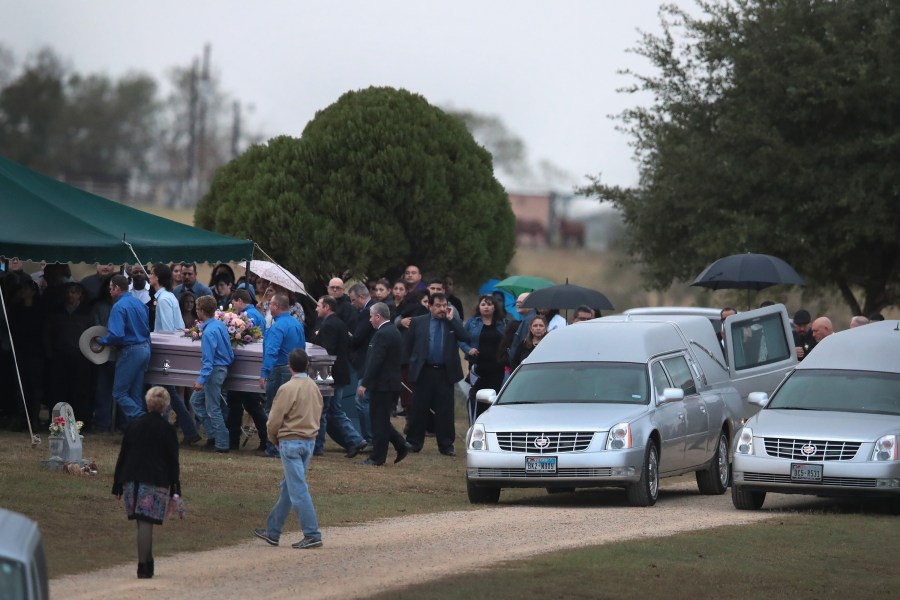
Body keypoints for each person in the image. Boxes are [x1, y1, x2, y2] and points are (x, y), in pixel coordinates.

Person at [252, 348, 324, 549]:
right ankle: (273, 531)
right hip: (309, 441)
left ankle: (312, 533)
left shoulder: (287, 388)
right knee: (289, 487)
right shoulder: (313, 387)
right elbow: (319, 412)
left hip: (290, 441)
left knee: (298, 489)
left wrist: (274, 439)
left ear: (289, 366)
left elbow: (273, 420)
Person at [112, 386, 182, 579]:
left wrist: (117, 483)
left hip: (130, 479)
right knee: (146, 522)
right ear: (166, 405)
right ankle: (143, 565)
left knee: (141, 521)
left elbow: (123, 454)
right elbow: (172, 461)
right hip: (155, 480)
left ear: (147, 402)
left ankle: (147, 560)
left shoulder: (135, 424)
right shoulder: (167, 430)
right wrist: (176, 488)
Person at [404, 292, 470, 456]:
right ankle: (414, 442)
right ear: (430, 306)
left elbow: (464, 336)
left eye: (444, 305)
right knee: (419, 408)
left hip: (444, 372)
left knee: (445, 410)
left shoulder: (452, 322)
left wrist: (452, 320)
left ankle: (446, 445)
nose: (442, 309)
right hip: (423, 370)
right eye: (438, 306)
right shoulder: (419, 322)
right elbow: (408, 345)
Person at [148, 264, 200, 445]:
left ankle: (158, 431)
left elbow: (167, 330)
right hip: (169, 351)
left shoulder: (163, 300)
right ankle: (190, 430)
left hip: (165, 352)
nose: (149, 276)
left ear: (158, 278)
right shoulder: (168, 296)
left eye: (151, 274)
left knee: (157, 393)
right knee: (170, 393)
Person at [311, 295, 367, 458]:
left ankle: (318, 447)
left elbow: (326, 350)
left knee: (321, 411)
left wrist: (316, 336)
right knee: (335, 410)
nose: (316, 308)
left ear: (327, 307)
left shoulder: (328, 325)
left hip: (326, 371)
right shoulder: (339, 323)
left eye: (319, 305)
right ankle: (355, 440)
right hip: (339, 373)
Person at [357, 302, 409, 466]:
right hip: (390, 383)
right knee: (381, 420)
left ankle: (377, 457)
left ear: (378, 317)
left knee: (378, 422)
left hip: (383, 385)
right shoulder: (392, 331)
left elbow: (375, 361)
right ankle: (401, 444)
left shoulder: (382, 334)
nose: (370, 320)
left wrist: (365, 383)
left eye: (371, 316)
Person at [97, 274, 150, 425]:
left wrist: (102, 341)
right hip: (144, 348)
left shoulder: (119, 306)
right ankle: (138, 429)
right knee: (135, 393)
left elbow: (117, 334)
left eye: (111, 289)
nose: (109, 292)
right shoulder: (139, 303)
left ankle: (142, 419)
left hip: (130, 350)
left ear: (117, 288)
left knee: (119, 393)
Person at [259, 293, 306, 458]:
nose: (268, 306)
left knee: (273, 408)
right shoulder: (296, 324)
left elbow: (272, 351)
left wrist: (264, 373)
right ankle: (289, 444)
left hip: (279, 370)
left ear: (276, 307)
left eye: (270, 304)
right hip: (294, 369)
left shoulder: (277, 327)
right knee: (291, 410)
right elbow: (302, 348)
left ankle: (272, 447)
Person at [225, 289, 269, 451]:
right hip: (255, 364)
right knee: (251, 405)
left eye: (234, 302)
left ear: (239, 301)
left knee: (239, 404)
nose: (233, 306)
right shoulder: (258, 315)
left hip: (244, 364)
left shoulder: (244, 317)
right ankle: (264, 439)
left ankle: (234, 440)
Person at [190, 295, 234, 453]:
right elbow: (229, 352)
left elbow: (208, 361)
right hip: (221, 368)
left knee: (212, 408)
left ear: (201, 311)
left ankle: (221, 443)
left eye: (197, 309)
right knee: (196, 401)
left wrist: (201, 380)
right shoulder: (219, 325)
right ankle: (213, 435)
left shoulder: (208, 333)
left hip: (213, 371)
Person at [460, 295, 506, 424]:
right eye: (483, 304)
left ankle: (492, 426)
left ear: (494, 307)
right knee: (477, 399)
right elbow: (461, 339)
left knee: (494, 398)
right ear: (479, 307)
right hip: (478, 368)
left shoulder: (502, 323)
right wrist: (468, 349)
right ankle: (475, 426)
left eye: (489, 304)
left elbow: (508, 342)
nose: (486, 307)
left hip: (497, 369)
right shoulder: (472, 322)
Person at [347, 282, 375, 442]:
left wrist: (347, 334)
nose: (352, 304)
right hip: (369, 362)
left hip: (367, 363)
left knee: (362, 401)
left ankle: (370, 438)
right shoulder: (374, 308)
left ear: (361, 297)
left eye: (353, 300)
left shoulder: (367, 313)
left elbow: (358, 339)